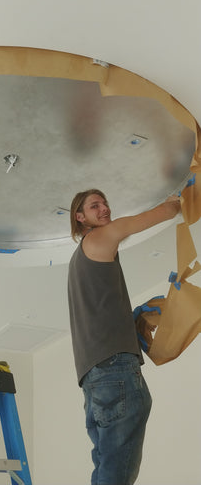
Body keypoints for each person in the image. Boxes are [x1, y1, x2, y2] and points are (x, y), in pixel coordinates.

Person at [68, 189, 181, 485]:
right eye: (95, 206)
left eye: (105, 202)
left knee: (106, 465)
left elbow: (99, 315)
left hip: (93, 376)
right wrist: (179, 193)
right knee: (116, 473)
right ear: (80, 218)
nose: (104, 208)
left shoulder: (80, 261)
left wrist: (133, 319)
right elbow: (167, 212)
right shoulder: (99, 237)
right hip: (114, 368)